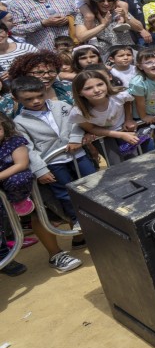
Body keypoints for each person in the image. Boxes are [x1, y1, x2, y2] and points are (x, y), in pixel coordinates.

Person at [11, 75, 96, 238]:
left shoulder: (61, 105)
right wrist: (40, 169)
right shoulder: (19, 122)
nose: (36, 101)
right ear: (16, 98)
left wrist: (76, 138)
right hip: (53, 162)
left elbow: (77, 123)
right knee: (64, 192)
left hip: (78, 154)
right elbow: (27, 147)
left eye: (39, 96)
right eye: (29, 99)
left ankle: (107, 211)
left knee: (93, 181)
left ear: (45, 91)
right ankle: (77, 218)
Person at [0, 111, 82, 273]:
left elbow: (24, 158)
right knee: (42, 214)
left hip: (37, 178)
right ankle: (55, 254)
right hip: (38, 176)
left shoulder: (13, 140)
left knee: (52, 209)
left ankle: (78, 242)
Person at [7, 0, 80, 52]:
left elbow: (79, 15)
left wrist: (69, 19)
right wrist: (42, 23)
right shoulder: (16, 5)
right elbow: (15, 29)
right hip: (44, 51)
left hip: (73, 47)